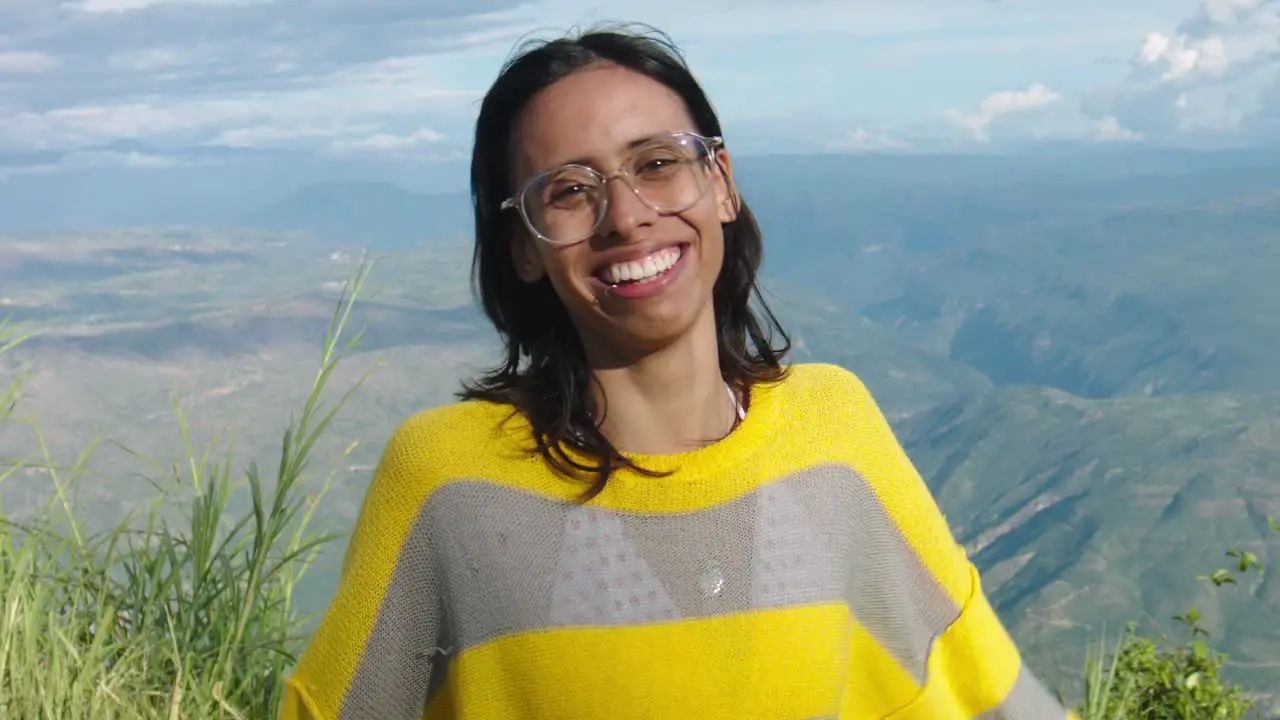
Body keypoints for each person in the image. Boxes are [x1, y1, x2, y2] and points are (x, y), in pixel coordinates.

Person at [281, 24, 1076, 720]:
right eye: (568, 190)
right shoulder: (449, 485)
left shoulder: (834, 430)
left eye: (657, 163)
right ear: (522, 245)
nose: (625, 216)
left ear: (721, 185)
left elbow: (982, 692)